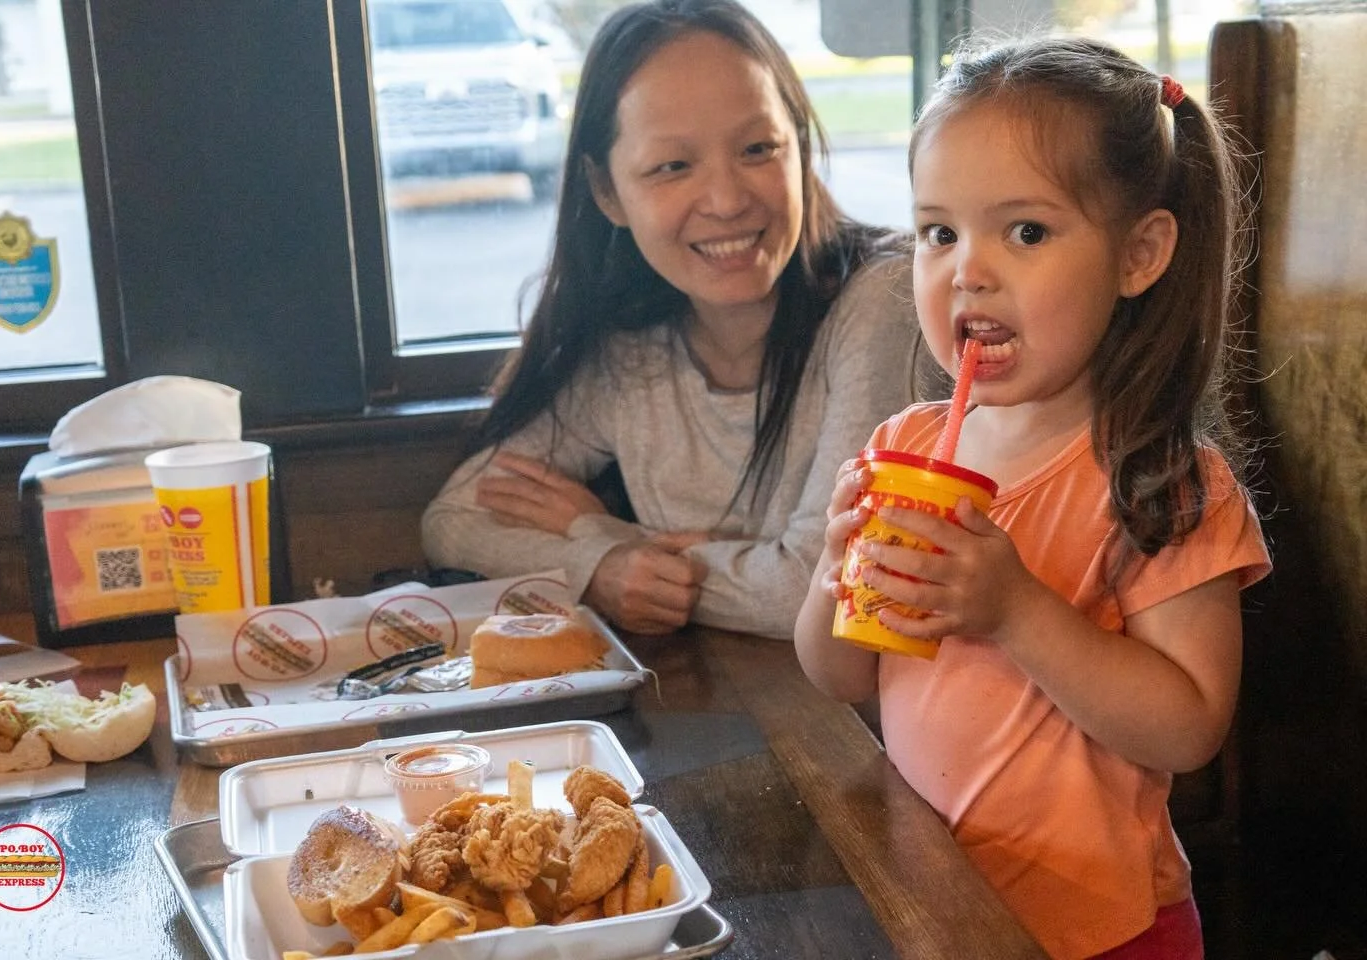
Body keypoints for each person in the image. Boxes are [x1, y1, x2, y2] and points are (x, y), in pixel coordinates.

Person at [794, 36, 1271, 959]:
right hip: (932, 908)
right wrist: (831, 578)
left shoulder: (1162, 481)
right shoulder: (905, 448)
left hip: (1103, 930)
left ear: (1138, 255)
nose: (967, 271)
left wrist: (1016, 610)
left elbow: (1189, 728)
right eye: (939, 233)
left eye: (1025, 233)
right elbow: (841, 678)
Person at [421, 0, 935, 639]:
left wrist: (610, 538)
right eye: (673, 166)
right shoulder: (630, 351)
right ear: (606, 192)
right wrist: (599, 566)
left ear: (799, 149)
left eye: (758, 149)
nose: (726, 200)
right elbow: (455, 519)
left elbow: (820, 590)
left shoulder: (883, 299)